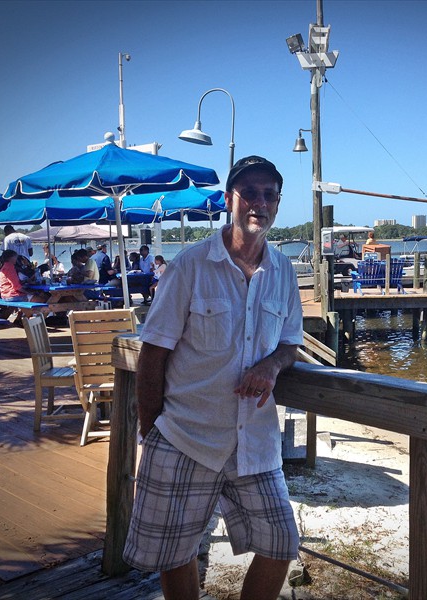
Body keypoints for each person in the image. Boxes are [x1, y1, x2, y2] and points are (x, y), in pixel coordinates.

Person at [123, 156, 303, 600]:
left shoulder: (283, 271)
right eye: (250, 193)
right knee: (174, 551)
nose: (259, 202)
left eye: (269, 194)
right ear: (229, 201)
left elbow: (290, 343)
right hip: (187, 436)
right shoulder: (189, 266)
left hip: (254, 444)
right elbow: (153, 354)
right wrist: (152, 431)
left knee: (282, 543)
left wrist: (271, 366)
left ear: (278, 203)